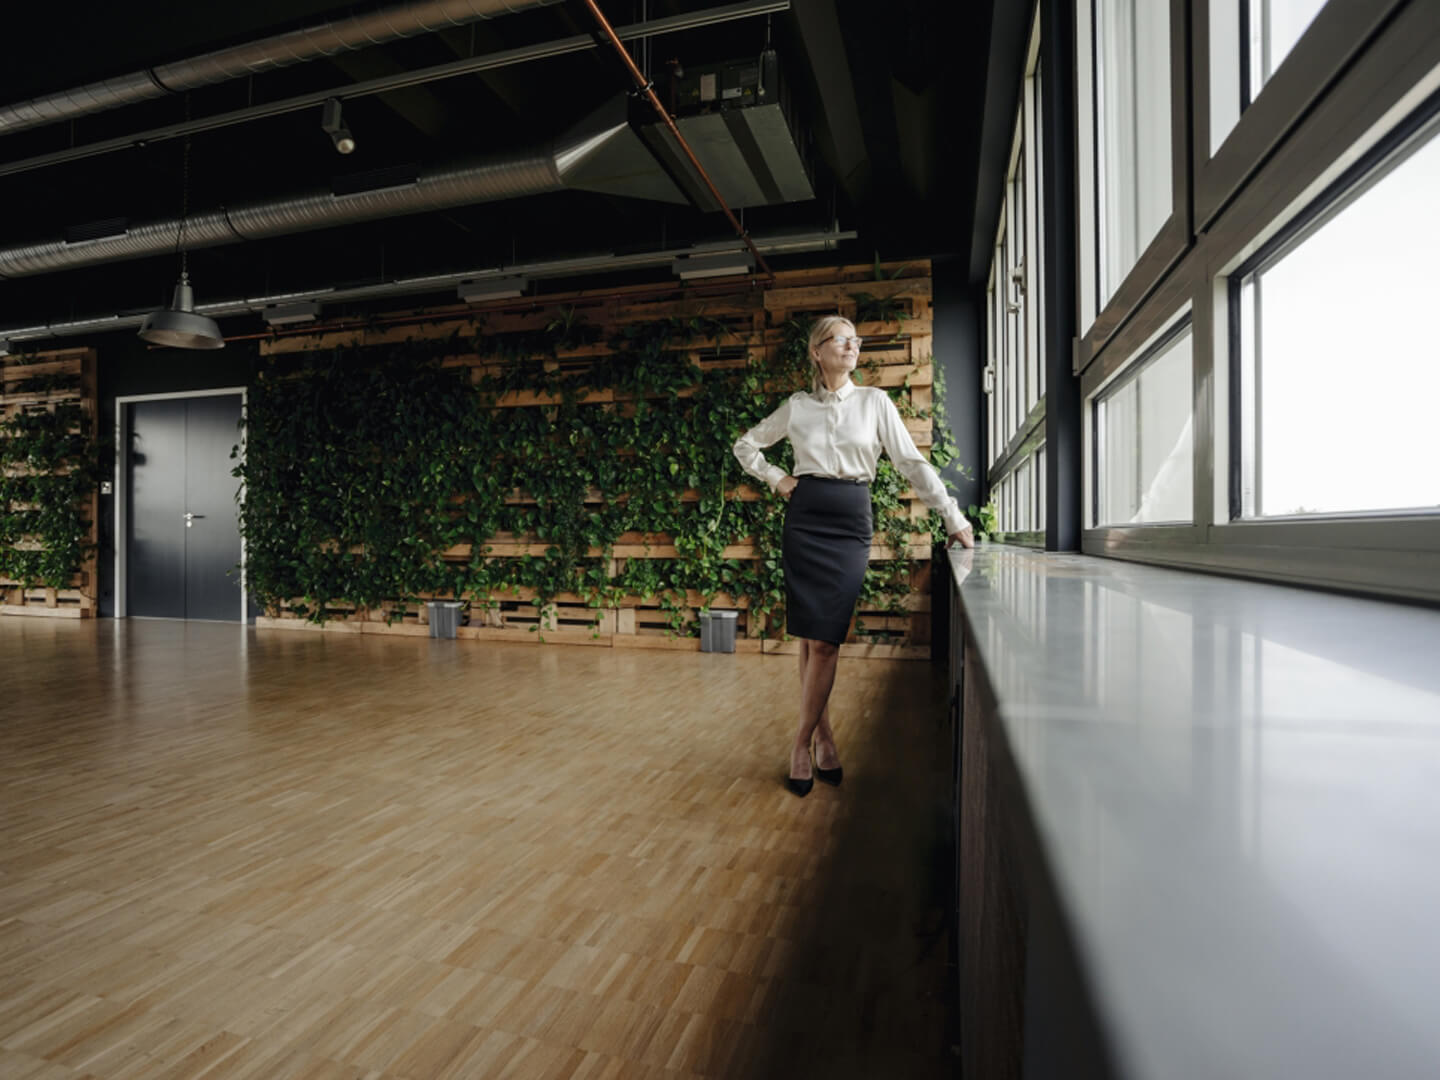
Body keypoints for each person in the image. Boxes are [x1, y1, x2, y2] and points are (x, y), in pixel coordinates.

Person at [733, 314, 975, 797]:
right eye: (840, 339)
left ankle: (800, 741)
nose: (851, 345)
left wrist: (953, 516)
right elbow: (746, 445)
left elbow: (910, 462)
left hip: (849, 521)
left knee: (826, 641)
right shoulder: (797, 407)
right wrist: (778, 479)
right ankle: (821, 737)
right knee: (810, 638)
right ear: (817, 352)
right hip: (805, 518)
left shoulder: (874, 402)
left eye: (855, 340)